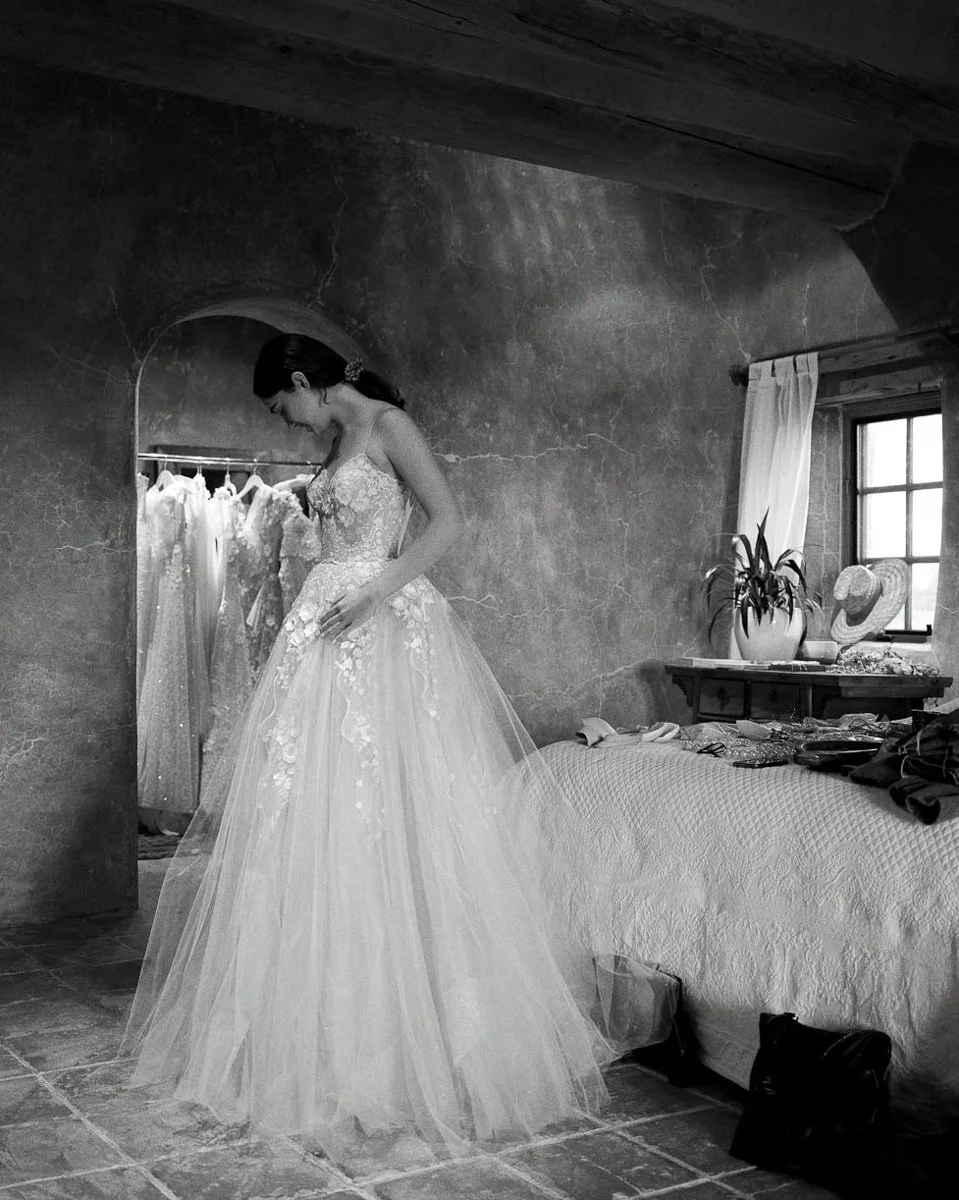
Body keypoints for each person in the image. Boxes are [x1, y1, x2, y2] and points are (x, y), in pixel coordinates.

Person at [120, 333, 617, 1160]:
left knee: (403, 801)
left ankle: (417, 1020)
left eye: (284, 405)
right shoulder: (331, 442)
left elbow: (448, 520)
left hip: (383, 625)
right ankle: (313, 1015)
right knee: (311, 805)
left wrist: (379, 590)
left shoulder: (388, 426)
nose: (286, 421)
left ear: (306, 383)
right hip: (325, 630)